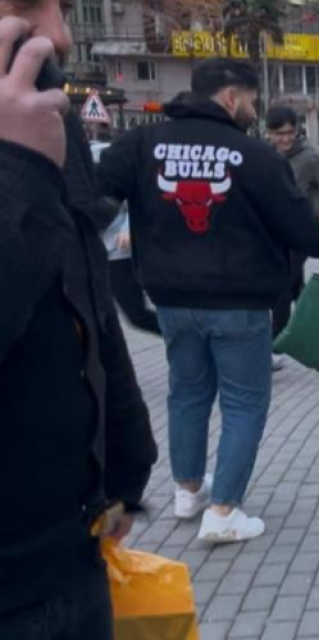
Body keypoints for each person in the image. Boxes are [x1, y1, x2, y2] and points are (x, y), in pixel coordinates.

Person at [98, 58, 319, 543]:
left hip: (171, 297)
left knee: (187, 393)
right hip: (239, 301)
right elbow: (296, 222)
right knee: (244, 402)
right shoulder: (253, 155)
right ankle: (223, 512)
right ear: (231, 97)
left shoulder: (141, 144)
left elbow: (94, 194)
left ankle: (188, 490)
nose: (254, 112)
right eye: (252, 102)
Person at [1, 15, 158, 639]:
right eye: (28, 3)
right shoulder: (20, 141)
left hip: (72, 552)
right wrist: (13, 170)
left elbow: (80, 286)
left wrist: (126, 458)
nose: (61, 34)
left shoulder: (39, 121)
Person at [265, 106, 319, 368]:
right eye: (279, 133)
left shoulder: (309, 157)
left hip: (300, 231)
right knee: (295, 286)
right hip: (271, 232)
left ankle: (275, 347)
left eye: (290, 132)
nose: (286, 138)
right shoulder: (261, 154)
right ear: (268, 132)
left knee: (283, 286)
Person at [103, 209, 162, 334]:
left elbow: (136, 202)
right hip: (89, 258)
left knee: (138, 316)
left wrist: (128, 228)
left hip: (120, 251)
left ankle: (189, 338)